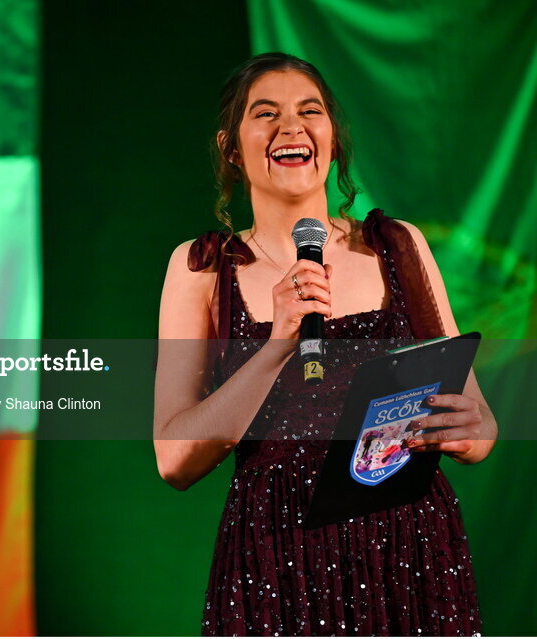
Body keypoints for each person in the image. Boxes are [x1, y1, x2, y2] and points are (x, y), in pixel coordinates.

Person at [153, 52, 496, 635]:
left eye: (309, 111)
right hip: (274, 556)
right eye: (266, 114)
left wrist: (467, 432)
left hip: (407, 550)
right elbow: (175, 458)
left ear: (331, 139)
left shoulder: (398, 246)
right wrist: (276, 345)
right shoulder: (203, 268)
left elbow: (479, 423)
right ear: (231, 148)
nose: (292, 127)